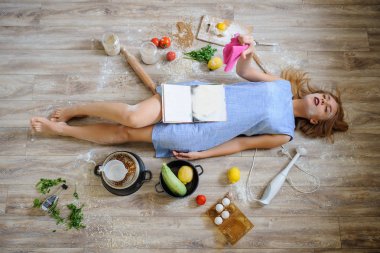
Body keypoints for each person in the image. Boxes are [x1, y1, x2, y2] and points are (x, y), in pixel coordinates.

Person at [30, 35, 348, 160]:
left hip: (205, 132)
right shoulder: (281, 86)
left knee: (125, 134)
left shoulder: (284, 133)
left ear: (316, 119)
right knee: (132, 116)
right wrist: (248, 50)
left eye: (328, 108)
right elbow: (246, 72)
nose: (323, 100)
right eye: (325, 96)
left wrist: (201, 156)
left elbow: (241, 143)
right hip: (202, 99)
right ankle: (74, 109)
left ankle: (63, 130)